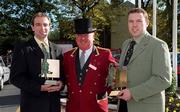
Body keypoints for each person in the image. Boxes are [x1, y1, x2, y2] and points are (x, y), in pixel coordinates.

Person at [116, 8, 172, 112]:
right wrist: (117, 84)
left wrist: (132, 93)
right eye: (131, 21)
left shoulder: (158, 45)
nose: (134, 25)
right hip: (124, 105)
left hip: (146, 107)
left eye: (139, 21)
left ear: (147, 23)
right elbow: (123, 70)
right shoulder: (126, 44)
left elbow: (163, 80)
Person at [10, 12, 64, 112]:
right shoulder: (23, 48)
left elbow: (62, 74)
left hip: (54, 106)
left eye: (45, 24)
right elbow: (15, 78)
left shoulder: (58, 49)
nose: (42, 28)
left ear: (50, 26)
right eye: (38, 24)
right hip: (32, 106)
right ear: (32, 27)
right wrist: (39, 88)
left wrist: (61, 83)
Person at [63, 18, 116, 112]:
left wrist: (103, 93)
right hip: (73, 107)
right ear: (75, 37)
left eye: (86, 35)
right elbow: (64, 78)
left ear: (93, 36)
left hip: (96, 107)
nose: (82, 38)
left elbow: (115, 78)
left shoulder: (105, 54)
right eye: (79, 35)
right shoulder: (67, 56)